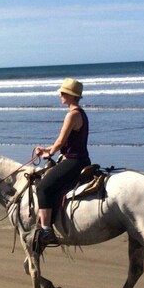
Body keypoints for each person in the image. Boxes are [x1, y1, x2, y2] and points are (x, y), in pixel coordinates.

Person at [33, 78, 91, 247]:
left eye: (63, 93)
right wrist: (47, 150)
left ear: (70, 96)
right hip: (80, 159)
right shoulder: (81, 113)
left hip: (73, 161)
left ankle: (46, 230)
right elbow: (65, 143)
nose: (60, 95)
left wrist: (48, 152)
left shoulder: (72, 115)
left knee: (42, 187)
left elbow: (60, 142)